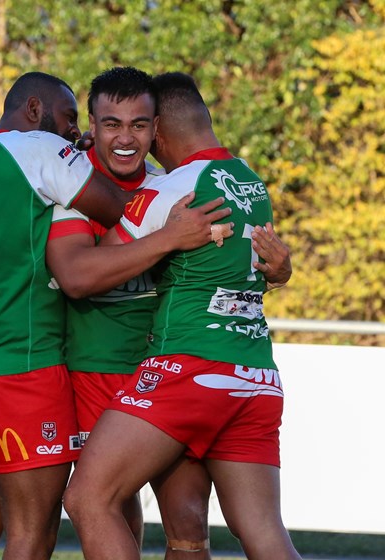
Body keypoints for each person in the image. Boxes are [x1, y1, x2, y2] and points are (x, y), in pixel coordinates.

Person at [0, 71, 234, 560]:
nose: (74, 133)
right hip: (29, 364)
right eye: (82, 121)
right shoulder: (44, 157)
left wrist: (268, 265)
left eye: (138, 125)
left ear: (155, 129)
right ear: (36, 111)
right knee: (43, 527)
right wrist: (165, 227)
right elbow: (97, 246)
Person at [49, 66, 292, 559]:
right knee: (263, 534)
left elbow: (79, 275)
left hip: (188, 369)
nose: (129, 137)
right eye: (113, 124)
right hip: (254, 376)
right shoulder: (252, 183)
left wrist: (167, 236)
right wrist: (280, 272)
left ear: (158, 129)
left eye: (140, 125)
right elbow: (249, 266)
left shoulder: (167, 189)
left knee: (88, 497)